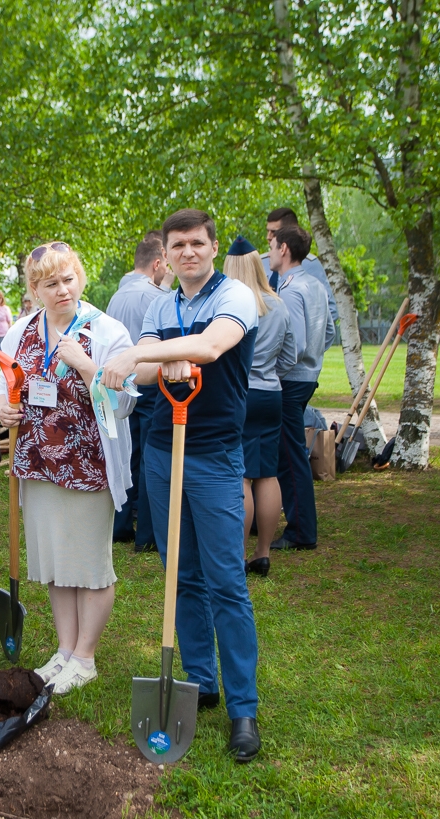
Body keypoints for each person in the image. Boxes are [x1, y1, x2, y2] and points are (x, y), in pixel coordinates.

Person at [100, 208, 262, 763]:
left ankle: (244, 708)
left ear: (214, 248)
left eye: (197, 243)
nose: (188, 252)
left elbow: (210, 348)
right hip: (164, 453)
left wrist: (144, 352)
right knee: (180, 574)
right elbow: (144, 374)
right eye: (178, 246)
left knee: (226, 581)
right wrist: (144, 362)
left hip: (214, 454)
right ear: (164, 255)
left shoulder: (235, 297)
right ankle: (201, 679)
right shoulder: (159, 303)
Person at [0, 242, 134, 695]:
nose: (62, 291)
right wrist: (4, 407)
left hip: (88, 465)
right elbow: (6, 387)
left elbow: (127, 403)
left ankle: (86, 657)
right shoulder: (20, 332)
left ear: (81, 278)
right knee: (55, 562)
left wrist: (87, 365)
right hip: (37, 464)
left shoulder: (106, 331)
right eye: (50, 284)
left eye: (68, 280)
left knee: (89, 565)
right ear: (34, 289)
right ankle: (64, 650)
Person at [223, 236, 291, 577]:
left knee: (243, 477)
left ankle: (237, 554)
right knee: (268, 473)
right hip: (272, 393)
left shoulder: (230, 304)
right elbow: (291, 357)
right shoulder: (278, 304)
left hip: (241, 393)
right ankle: (263, 551)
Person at [105, 230, 170, 551]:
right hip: (149, 381)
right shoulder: (158, 298)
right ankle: (146, 533)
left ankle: (119, 523)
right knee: (150, 457)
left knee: (126, 453)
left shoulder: (117, 296)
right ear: (157, 263)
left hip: (121, 382)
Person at [270, 225, 332, 551]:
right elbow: (330, 331)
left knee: (290, 457)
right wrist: (315, 361)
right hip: (308, 376)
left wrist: (271, 373)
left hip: (291, 379)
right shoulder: (316, 284)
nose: (268, 250)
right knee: (292, 452)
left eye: (271, 243)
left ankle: (300, 532)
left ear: (284, 249)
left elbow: (294, 345)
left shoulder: (292, 289)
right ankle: (300, 528)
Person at [262, 207, 338, 324]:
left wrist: (313, 339)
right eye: (267, 231)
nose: (268, 236)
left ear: (290, 232)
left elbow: (330, 311)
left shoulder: (310, 264)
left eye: (274, 232)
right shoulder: (261, 262)